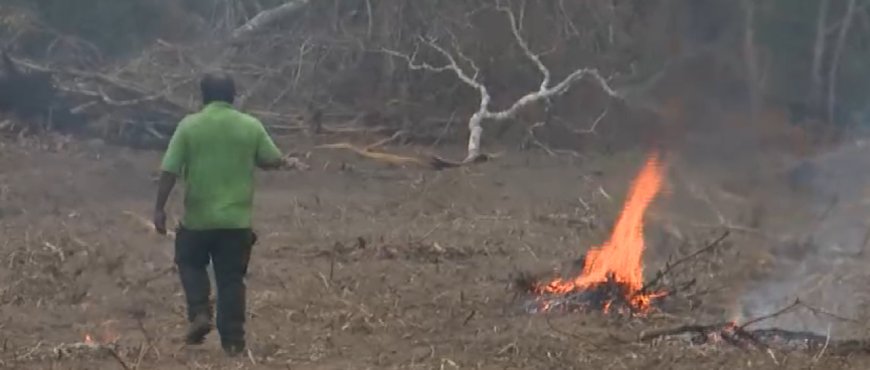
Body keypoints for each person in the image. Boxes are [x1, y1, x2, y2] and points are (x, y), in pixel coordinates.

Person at [153, 72, 287, 356]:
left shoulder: (189, 126)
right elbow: (273, 159)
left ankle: (200, 311)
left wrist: (159, 208)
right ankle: (234, 342)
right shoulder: (250, 125)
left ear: (203, 96)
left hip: (198, 220)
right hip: (236, 223)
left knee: (189, 261)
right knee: (231, 279)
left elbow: (169, 170)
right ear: (233, 95)